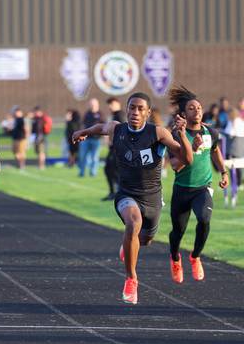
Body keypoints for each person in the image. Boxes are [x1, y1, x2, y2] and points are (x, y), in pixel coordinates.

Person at [72, 92, 191, 305]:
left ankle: (127, 246)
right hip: (126, 194)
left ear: (147, 112)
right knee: (133, 223)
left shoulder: (159, 133)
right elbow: (100, 128)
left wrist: (182, 134)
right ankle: (131, 279)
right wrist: (84, 132)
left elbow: (187, 159)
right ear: (127, 110)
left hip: (152, 198)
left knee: (145, 239)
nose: (135, 112)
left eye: (140, 109)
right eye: (132, 108)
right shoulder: (117, 129)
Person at [166, 86, 228, 284]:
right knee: (178, 232)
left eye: (199, 107)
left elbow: (215, 150)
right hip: (182, 189)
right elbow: (175, 166)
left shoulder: (210, 131)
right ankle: (175, 258)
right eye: (192, 108)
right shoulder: (175, 135)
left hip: (203, 188)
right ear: (183, 114)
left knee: (204, 218)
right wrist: (191, 149)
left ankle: (195, 256)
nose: (197, 111)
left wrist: (224, 171)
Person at [102, 97, 126, 201]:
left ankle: (118, 192)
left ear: (117, 103)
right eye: (109, 104)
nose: (110, 106)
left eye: (112, 104)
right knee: (109, 169)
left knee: (114, 170)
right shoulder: (115, 115)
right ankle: (114, 192)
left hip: (118, 148)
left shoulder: (120, 115)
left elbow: (122, 130)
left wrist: (114, 140)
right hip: (114, 148)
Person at [77, 98, 103, 177]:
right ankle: (81, 172)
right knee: (82, 156)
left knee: (94, 157)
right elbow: (83, 125)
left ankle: (93, 173)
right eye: (91, 104)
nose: (92, 106)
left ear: (97, 105)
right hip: (86, 139)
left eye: (94, 104)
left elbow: (104, 126)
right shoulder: (87, 114)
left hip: (96, 140)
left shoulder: (100, 114)